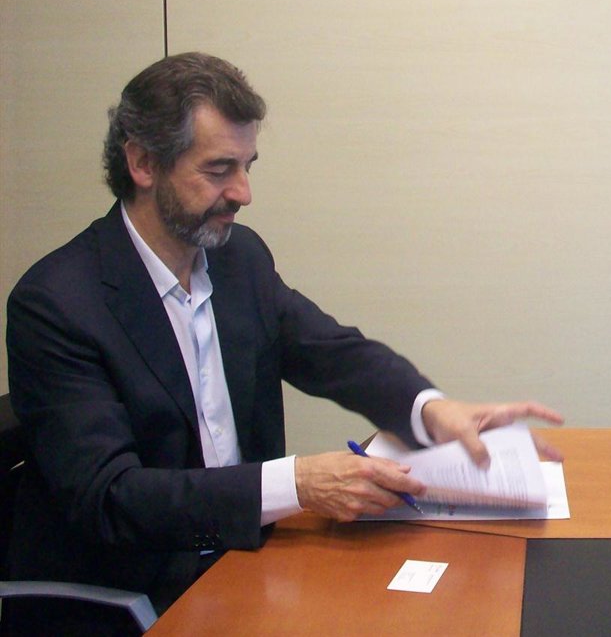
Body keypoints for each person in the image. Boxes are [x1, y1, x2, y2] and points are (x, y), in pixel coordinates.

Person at [4, 53, 564, 635]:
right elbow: (112, 498)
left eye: (247, 166)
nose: (243, 193)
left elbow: (331, 352)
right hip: (137, 592)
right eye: (219, 170)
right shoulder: (57, 303)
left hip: (245, 559)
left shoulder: (237, 257)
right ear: (143, 163)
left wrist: (432, 409)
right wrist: (296, 485)